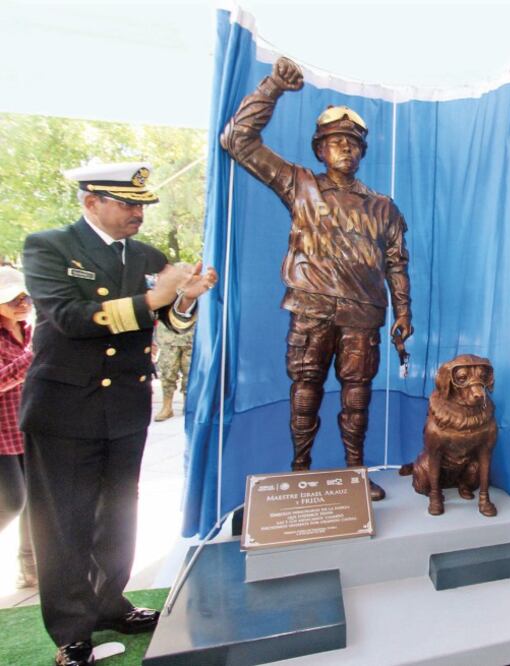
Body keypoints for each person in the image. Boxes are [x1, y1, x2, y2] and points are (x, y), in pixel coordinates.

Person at [20, 162, 217, 666]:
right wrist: (156, 296)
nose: (139, 213)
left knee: (118, 516)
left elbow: (167, 320)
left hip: (124, 407)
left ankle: (111, 604)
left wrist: (186, 300)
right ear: (91, 202)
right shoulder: (50, 247)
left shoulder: (147, 255)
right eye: (128, 204)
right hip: (66, 408)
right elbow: (67, 318)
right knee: (66, 523)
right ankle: (71, 631)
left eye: (142, 205)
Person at [220, 56, 412, 500]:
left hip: (364, 314)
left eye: (352, 143)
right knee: (305, 389)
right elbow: (238, 140)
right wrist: (272, 87)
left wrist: (403, 312)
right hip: (311, 308)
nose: (345, 148)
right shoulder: (298, 184)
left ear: (362, 152)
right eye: (335, 141)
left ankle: (354, 472)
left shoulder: (384, 207)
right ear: (320, 150)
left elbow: (398, 263)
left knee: (357, 394)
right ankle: (300, 470)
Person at [0, 266, 35, 589]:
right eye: (13, 299)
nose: (22, 303)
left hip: (28, 426)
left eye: (25, 297)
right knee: (12, 500)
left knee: (33, 500)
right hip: (2, 435)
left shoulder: (28, 332)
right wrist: (31, 360)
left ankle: (30, 565)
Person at [153, 318, 193, 421]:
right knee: (167, 369)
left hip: (192, 329)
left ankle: (188, 404)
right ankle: (167, 407)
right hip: (168, 328)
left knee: (190, 370)